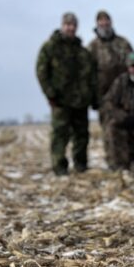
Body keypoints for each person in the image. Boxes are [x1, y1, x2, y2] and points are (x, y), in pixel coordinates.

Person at [35, 12, 97, 175]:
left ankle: (81, 164)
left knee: (81, 135)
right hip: (60, 101)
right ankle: (60, 166)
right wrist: (50, 93)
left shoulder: (82, 52)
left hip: (81, 101)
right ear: (62, 26)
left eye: (73, 25)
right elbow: (41, 72)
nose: (70, 28)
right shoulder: (50, 47)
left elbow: (92, 77)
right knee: (60, 135)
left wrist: (92, 97)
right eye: (67, 25)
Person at [87, 10, 134, 166]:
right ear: (97, 24)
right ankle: (113, 163)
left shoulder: (123, 43)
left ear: (111, 22)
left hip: (125, 95)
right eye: (101, 21)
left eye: (107, 21)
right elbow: (88, 74)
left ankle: (130, 160)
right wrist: (93, 97)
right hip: (104, 97)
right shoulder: (92, 47)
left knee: (128, 127)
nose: (104, 24)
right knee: (109, 130)